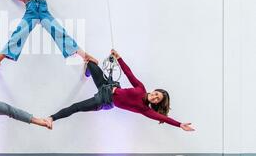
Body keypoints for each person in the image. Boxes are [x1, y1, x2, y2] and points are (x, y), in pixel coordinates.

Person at [45, 49, 195, 131]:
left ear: (156, 103)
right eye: (156, 94)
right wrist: (119, 58)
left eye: (157, 99)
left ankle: (51, 118)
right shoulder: (141, 88)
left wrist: (180, 124)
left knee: (76, 107)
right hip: (108, 86)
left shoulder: (144, 109)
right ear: (154, 90)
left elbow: (162, 118)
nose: (155, 97)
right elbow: (129, 73)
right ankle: (87, 71)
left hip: (104, 101)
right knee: (91, 63)